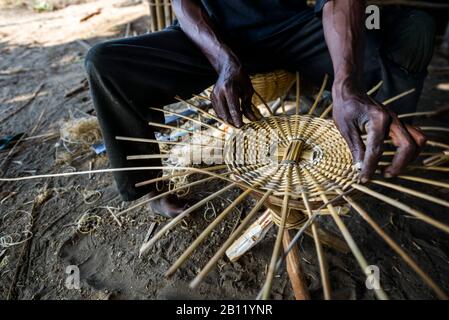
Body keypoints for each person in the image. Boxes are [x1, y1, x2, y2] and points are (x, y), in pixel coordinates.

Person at [85, 0, 434, 218]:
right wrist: (223, 61)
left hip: (292, 29)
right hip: (213, 38)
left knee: (411, 30)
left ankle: (379, 151)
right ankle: (150, 187)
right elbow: (183, 3)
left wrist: (345, 84)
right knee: (105, 63)